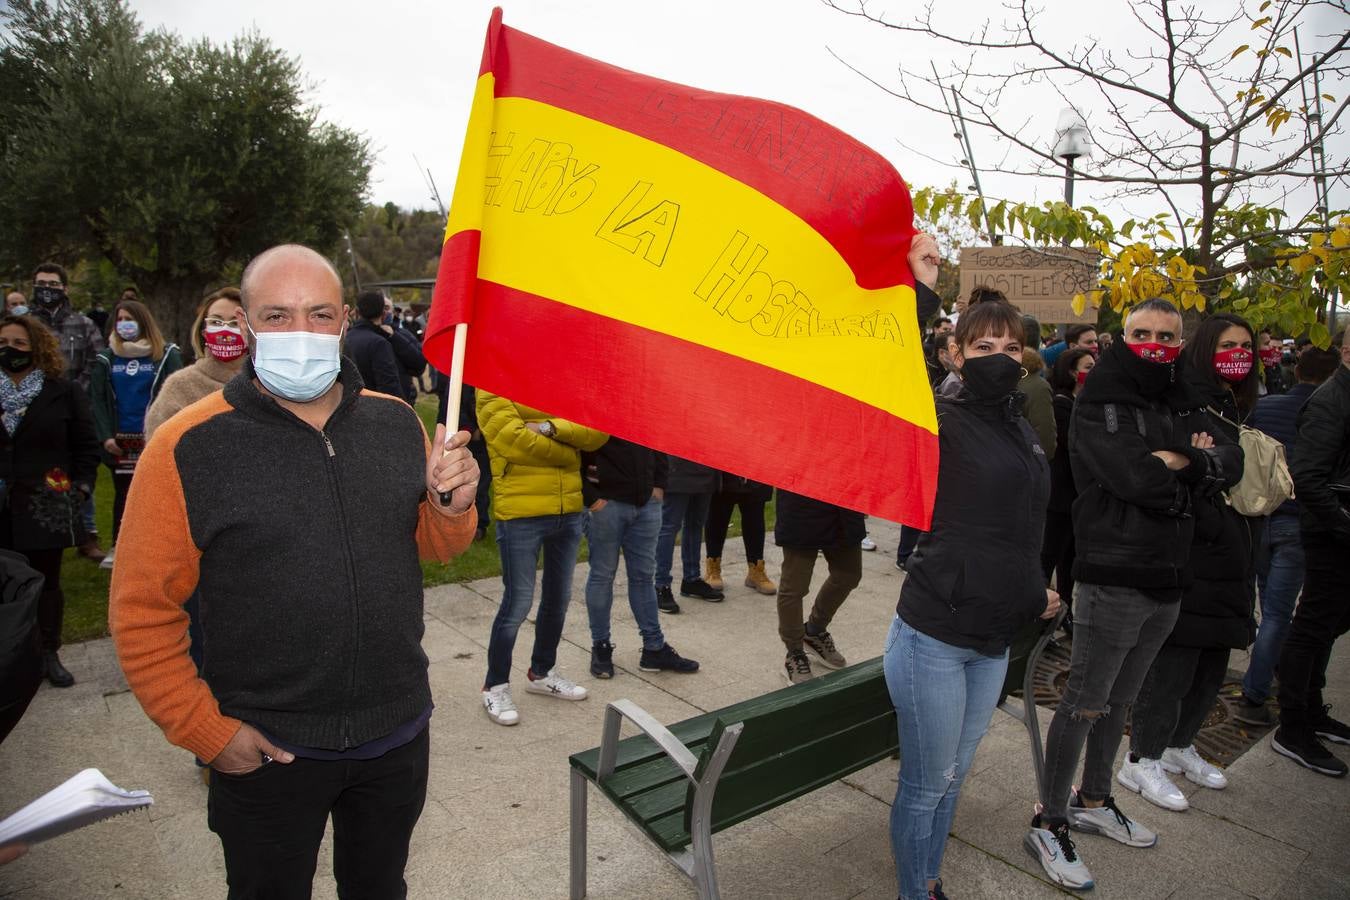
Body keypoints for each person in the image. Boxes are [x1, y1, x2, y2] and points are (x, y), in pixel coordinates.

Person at [110, 244, 479, 898]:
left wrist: (453, 506)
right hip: (265, 751)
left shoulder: (395, 423)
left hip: (394, 736)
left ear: (343, 321)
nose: (300, 333)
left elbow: (436, 546)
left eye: (318, 313)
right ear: (245, 326)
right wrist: (207, 732)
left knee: (380, 887)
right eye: (277, 315)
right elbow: (141, 614)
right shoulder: (187, 445)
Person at [1026, 299, 1240, 891]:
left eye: (1166, 335)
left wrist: (1183, 461)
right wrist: (1191, 468)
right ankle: (1050, 819)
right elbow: (1131, 478)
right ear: (1123, 336)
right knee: (1085, 701)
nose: (1153, 343)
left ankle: (1096, 798)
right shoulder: (1100, 397)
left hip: (1170, 574)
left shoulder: (1184, 393)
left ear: (1181, 340)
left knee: (1121, 701)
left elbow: (1232, 460)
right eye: (1141, 333)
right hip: (1112, 573)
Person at [885, 299, 1059, 900]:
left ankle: (929, 880)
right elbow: (886, 365)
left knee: (952, 779)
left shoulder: (1016, 421)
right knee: (928, 784)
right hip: (936, 635)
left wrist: (1034, 588)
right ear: (954, 353)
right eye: (983, 347)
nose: (1000, 359)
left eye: (1011, 347)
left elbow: (1018, 526)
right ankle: (917, 891)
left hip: (993, 639)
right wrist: (919, 292)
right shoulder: (939, 417)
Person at [1119, 314, 1260, 811]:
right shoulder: (1185, 398)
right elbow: (1171, 465)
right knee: (1175, 660)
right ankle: (1141, 759)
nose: (1238, 353)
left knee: (1213, 659)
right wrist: (1204, 462)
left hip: (1233, 551)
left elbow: (1229, 463)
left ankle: (1179, 745)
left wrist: (1209, 461)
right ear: (1202, 348)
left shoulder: (1232, 403)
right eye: (1227, 344)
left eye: (1246, 345)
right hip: (1192, 549)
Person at [477, 391, 606, 725]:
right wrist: (569, 450)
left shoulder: (559, 377)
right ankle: (495, 686)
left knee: (558, 599)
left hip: (568, 510)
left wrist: (548, 428)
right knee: (517, 602)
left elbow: (598, 432)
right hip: (521, 513)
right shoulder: (492, 380)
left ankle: (542, 672)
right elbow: (512, 441)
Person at [1235, 345, 1340, 725]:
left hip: (1262, 516)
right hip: (1296, 523)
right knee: (1279, 613)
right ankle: (1256, 691)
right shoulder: (1332, 410)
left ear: (1297, 372)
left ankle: (1270, 672)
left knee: (1269, 608)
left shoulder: (1266, 407)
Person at [0, 314, 99, 688]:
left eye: (20, 343)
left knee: (45, 583)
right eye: (4, 342)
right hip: (1, 503)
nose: (10, 349)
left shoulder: (63, 391)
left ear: (37, 348)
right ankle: (10, 657)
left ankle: (47, 652)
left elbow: (85, 446)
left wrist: (82, 487)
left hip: (46, 505)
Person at [1272, 327, 1350, 776]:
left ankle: (1312, 707)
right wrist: (1342, 525)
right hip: (1331, 535)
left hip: (1336, 528)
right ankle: (1293, 723)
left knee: (1327, 626)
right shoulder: (1330, 401)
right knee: (1312, 626)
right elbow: (1309, 475)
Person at [581, 435, 699, 678]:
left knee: (644, 577)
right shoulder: (592, 400)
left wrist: (658, 485)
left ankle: (654, 648)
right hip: (606, 504)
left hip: (645, 503)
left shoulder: (640, 402)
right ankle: (601, 646)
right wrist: (591, 498)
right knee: (603, 576)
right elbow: (573, 448)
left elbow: (657, 440)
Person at [90, 300, 184, 570]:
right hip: (120, 440)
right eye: (119, 319)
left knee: (157, 494)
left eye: (129, 318)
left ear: (143, 321)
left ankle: (157, 547)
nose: (124, 324)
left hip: (153, 438)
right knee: (123, 494)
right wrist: (106, 436)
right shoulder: (107, 359)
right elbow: (97, 400)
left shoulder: (165, 355)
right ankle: (119, 546)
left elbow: (175, 393)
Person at [28, 263, 105, 562]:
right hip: (35, 410)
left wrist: (74, 394)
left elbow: (96, 362)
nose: (47, 289)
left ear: (65, 288)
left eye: (53, 283)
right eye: (41, 283)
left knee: (80, 468)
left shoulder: (83, 324)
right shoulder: (26, 325)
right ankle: (38, 529)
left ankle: (87, 534)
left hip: (75, 407)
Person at [143, 288, 249, 439]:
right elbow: (157, 448)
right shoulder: (180, 385)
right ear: (204, 331)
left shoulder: (269, 383)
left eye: (235, 323)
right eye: (216, 322)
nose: (225, 330)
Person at [1040, 347, 1095, 629]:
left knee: (1068, 555)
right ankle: (1042, 611)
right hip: (1060, 493)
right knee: (1050, 552)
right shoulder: (1061, 404)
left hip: (1075, 494)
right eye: (1088, 365)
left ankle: (1063, 610)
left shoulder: (1078, 402)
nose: (1093, 368)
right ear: (1073, 371)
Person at [654, 455, 723, 613]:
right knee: (669, 528)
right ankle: (661, 584)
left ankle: (691, 579)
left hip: (706, 468)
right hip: (677, 470)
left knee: (695, 525)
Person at [703, 472, 777, 596]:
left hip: (755, 467)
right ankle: (713, 567)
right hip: (725, 466)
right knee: (718, 515)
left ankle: (756, 570)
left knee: (755, 516)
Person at [344, 290, 403, 397]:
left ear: (357, 312)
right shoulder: (380, 344)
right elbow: (389, 389)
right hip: (374, 407)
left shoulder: (346, 338)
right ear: (383, 313)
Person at [381, 294, 426, 403]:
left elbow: (419, 362)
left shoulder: (403, 333)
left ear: (393, 312)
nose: (384, 312)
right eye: (381, 308)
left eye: (387, 308)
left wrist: (395, 337)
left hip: (403, 398)